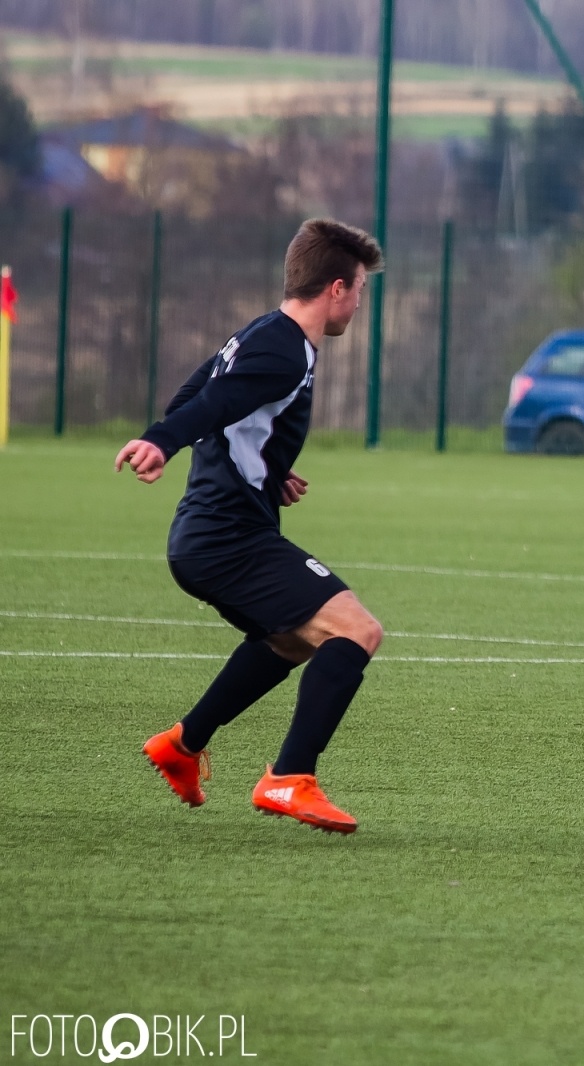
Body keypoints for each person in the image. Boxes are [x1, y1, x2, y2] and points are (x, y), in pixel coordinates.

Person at [117, 218, 386, 835]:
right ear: (338, 288)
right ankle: (290, 779)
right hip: (225, 537)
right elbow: (206, 407)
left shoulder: (264, 332)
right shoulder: (284, 347)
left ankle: (182, 746)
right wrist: (161, 443)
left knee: (294, 639)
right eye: (361, 291)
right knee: (356, 630)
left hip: (216, 531)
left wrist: (267, 470)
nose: (359, 304)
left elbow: (194, 395)